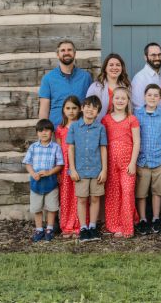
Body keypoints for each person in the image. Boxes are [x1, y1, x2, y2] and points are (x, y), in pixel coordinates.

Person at [67, 95, 107, 243]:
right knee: (82, 199)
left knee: (95, 198)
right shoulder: (74, 127)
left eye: (94, 108)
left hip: (96, 170)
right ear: (82, 108)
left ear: (98, 112)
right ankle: (83, 228)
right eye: (88, 106)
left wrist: (104, 170)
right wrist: (72, 169)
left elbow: (103, 149)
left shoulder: (100, 128)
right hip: (80, 171)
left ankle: (92, 226)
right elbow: (71, 148)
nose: (90, 110)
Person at [101, 87, 140, 238]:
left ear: (128, 101)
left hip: (127, 163)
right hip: (111, 163)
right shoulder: (106, 120)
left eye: (123, 98)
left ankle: (127, 226)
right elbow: (102, 143)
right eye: (117, 98)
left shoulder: (132, 119)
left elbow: (136, 142)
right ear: (112, 100)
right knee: (113, 194)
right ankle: (114, 225)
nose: (120, 101)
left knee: (127, 192)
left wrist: (132, 163)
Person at [134, 84, 161, 235]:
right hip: (142, 160)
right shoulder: (137, 115)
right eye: (149, 95)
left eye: (156, 95)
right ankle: (143, 219)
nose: (152, 98)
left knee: (157, 191)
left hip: (159, 160)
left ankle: (156, 218)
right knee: (141, 192)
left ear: (160, 98)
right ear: (144, 96)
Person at [24, 119, 64, 242]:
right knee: (37, 208)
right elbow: (27, 163)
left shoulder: (56, 147)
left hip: (51, 182)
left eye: (47, 130)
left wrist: (49, 172)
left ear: (52, 132)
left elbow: (60, 164)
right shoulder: (33, 147)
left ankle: (49, 228)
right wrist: (33, 174)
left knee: (52, 207)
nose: (44, 133)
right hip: (36, 182)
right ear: (37, 133)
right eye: (41, 131)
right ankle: (39, 229)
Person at [39, 39, 92, 127]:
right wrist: (44, 130)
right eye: (63, 50)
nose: (66, 53)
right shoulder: (48, 78)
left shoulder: (86, 77)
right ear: (57, 54)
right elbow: (44, 109)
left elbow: (91, 105)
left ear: (74, 53)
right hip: (56, 129)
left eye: (69, 50)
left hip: (81, 129)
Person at [55, 96, 84, 238]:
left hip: (80, 164)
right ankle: (67, 226)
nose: (71, 111)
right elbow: (58, 151)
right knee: (66, 195)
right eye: (68, 108)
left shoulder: (82, 125)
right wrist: (58, 171)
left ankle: (78, 225)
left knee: (79, 195)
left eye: (74, 108)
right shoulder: (60, 129)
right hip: (65, 166)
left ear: (79, 110)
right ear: (63, 110)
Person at [86, 53, 132, 122]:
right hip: (100, 125)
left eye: (118, 65)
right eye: (111, 65)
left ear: (122, 68)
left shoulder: (126, 86)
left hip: (122, 125)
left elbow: (130, 109)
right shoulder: (95, 87)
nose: (115, 68)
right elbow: (88, 109)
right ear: (105, 68)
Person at [131, 42, 161, 115]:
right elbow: (139, 108)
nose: (157, 58)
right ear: (145, 57)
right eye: (153, 55)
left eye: (159, 55)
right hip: (151, 122)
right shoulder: (139, 78)